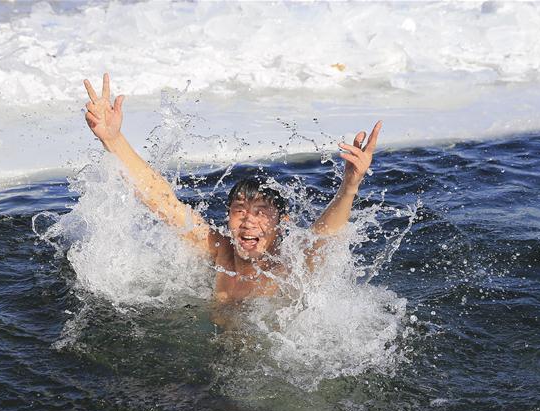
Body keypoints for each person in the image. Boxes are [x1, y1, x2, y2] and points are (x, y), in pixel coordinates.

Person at [83, 73, 381, 303]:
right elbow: (163, 201)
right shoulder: (220, 252)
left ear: (282, 222)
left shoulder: (289, 267)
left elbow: (323, 238)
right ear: (227, 217)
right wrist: (113, 140)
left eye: (261, 212)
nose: (248, 221)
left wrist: (350, 186)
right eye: (239, 210)